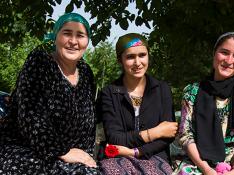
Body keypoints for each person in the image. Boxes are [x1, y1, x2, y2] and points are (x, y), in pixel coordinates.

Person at [0, 13, 101, 174]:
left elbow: (89, 123)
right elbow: (30, 116)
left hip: (70, 156)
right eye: (67, 33)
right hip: (27, 150)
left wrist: (86, 155)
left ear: (87, 41)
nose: (73, 41)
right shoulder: (40, 62)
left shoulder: (86, 72)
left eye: (80, 35)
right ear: (56, 37)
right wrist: (63, 152)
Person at [173, 32, 234, 175]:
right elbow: (185, 135)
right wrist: (207, 170)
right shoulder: (192, 92)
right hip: (198, 161)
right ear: (214, 53)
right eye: (224, 52)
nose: (229, 60)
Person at [98, 33, 178, 175]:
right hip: (117, 157)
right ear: (119, 60)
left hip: (155, 156)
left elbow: (169, 134)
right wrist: (155, 132)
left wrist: (136, 152)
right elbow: (114, 137)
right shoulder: (109, 93)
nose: (137, 62)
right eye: (130, 57)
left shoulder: (162, 89)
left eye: (142, 55)